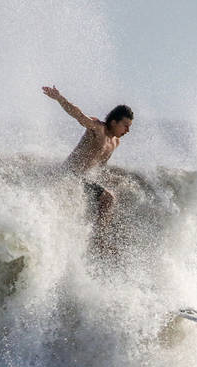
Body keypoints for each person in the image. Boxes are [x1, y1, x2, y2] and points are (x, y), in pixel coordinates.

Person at [41, 85, 133, 253]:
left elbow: (98, 167)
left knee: (112, 195)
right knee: (109, 198)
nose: (128, 130)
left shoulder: (115, 143)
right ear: (114, 122)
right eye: (125, 125)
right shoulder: (98, 128)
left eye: (129, 127)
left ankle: (93, 239)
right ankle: (99, 241)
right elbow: (78, 115)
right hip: (69, 176)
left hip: (81, 180)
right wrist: (59, 98)